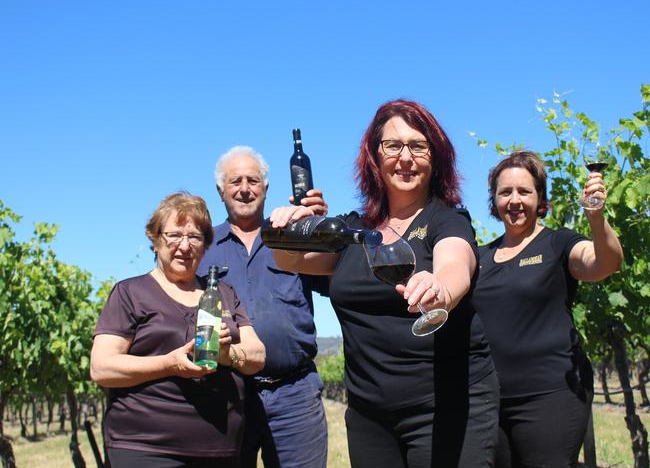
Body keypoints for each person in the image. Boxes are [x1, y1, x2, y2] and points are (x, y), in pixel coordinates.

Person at [268, 100, 500, 468]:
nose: (405, 157)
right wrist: (287, 229)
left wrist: (440, 288)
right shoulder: (353, 228)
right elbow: (290, 260)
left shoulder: (446, 219)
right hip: (368, 414)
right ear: (375, 157)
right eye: (393, 146)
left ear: (435, 157)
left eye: (418, 146)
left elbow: (456, 264)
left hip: (446, 407)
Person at [90, 192, 266, 468]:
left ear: (206, 244)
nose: (184, 245)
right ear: (156, 239)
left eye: (195, 237)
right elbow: (102, 368)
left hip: (221, 449)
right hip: (145, 447)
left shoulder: (223, 293)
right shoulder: (130, 293)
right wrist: (169, 364)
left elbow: (257, 354)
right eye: (174, 235)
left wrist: (227, 355)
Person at [472, 150, 623, 467]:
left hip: (552, 396)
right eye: (505, 192)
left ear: (539, 197)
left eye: (524, 191)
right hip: (490, 402)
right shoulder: (480, 258)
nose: (515, 200)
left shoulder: (558, 243)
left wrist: (596, 217)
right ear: (494, 200)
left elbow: (604, 263)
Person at [197, 146, 329, 468]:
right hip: (226, 396)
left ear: (266, 188)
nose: (245, 188)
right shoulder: (202, 249)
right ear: (220, 191)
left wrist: (321, 229)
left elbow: (335, 278)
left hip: (294, 396)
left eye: (253, 180)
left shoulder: (293, 237)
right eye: (235, 181)